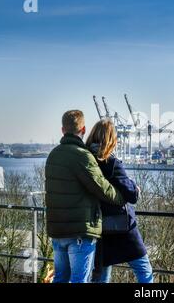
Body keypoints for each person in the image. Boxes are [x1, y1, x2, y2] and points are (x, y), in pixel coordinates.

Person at [45, 110, 126, 283]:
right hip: (80, 232)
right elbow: (103, 188)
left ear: (62, 130)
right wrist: (123, 197)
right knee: (79, 280)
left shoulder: (53, 155)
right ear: (83, 129)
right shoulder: (83, 156)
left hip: (57, 231)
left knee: (60, 278)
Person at [87, 118, 153, 283]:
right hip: (122, 228)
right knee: (144, 271)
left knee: (101, 276)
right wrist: (135, 187)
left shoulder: (86, 161)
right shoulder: (112, 163)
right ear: (111, 139)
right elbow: (131, 195)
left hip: (98, 227)